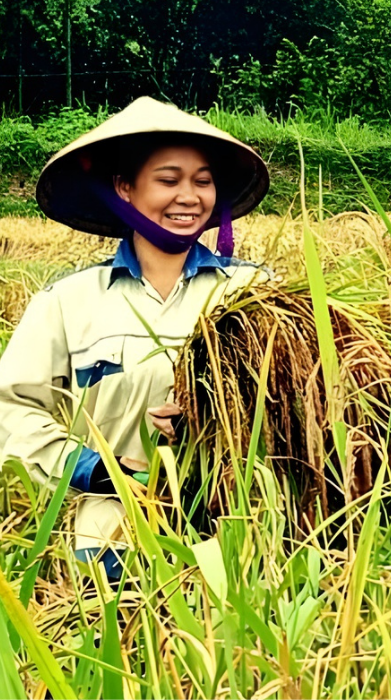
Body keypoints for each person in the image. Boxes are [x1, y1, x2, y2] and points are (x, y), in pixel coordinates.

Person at [0, 97, 272, 582]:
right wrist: (95, 468)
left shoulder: (253, 292)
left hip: (236, 539)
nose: (189, 196)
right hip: (109, 545)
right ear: (124, 188)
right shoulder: (68, 301)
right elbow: (12, 410)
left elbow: (304, 399)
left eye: (203, 181)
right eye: (168, 180)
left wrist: (214, 420)